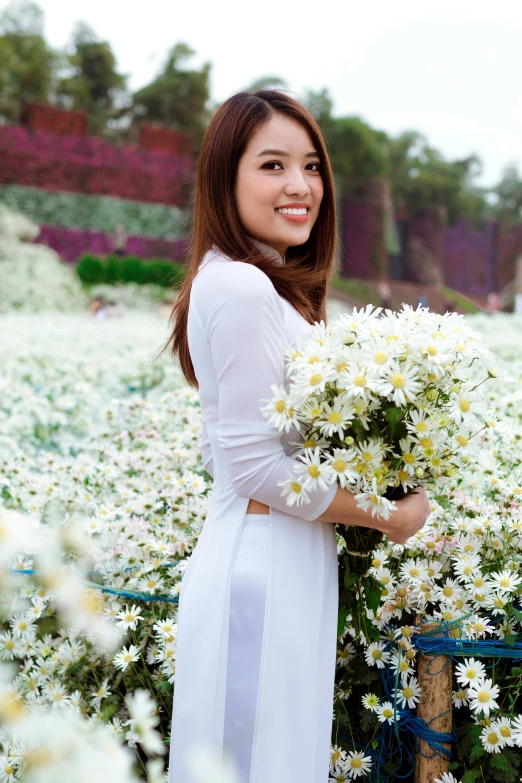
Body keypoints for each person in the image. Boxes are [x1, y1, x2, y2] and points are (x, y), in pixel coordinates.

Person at [163, 90, 431, 783]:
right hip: (261, 568)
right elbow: (253, 467)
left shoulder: (256, 286)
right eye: (273, 165)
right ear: (225, 179)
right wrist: (389, 515)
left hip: (282, 560)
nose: (300, 186)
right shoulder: (245, 289)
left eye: (311, 166)